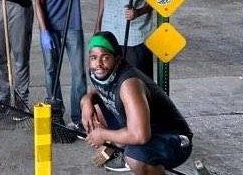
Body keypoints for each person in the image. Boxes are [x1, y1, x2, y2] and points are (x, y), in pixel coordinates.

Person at [81, 31, 193, 174]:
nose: (98, 64)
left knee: (135, 157)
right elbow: (98, 91)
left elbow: (140, 135)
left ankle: (126, 149)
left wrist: (102, 134)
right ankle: (119, 143)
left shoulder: (129, 84)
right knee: (93, 108)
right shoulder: (99, 73)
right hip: (143, 128)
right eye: (93, 58)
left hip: (175, 139)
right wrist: (86, 101)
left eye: (105, 57)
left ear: (118, 59)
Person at [31, 0, 93, 131]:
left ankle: (78, 117)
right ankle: (56, 111)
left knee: (79, 72)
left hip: (72, 24)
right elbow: (37, 0)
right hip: (50, 26)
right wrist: (44, 30)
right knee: (51, 70)